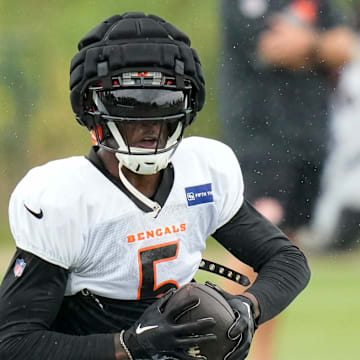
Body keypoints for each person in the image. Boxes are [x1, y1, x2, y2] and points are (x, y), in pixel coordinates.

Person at [0, 12, 310, 360]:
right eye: (130, 104)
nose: (150, 124)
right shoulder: (66, 198)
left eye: (165, 104)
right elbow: (13, 343)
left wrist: (246, 308)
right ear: (94, 108)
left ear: (187, 106)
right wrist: (128, 346)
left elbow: (287, 260)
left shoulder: (202, 173)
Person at [220, 1, 357, 359]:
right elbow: (275, 47)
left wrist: (310, 45)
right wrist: (320, 48)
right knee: (251, 250)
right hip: (261, 142)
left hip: (309, 142)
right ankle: (206, 341)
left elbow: (346, 47)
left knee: (282, 258)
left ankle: (260, 353)